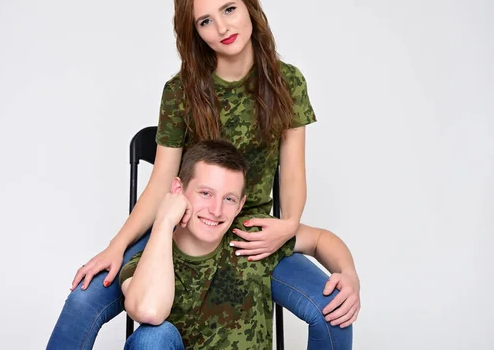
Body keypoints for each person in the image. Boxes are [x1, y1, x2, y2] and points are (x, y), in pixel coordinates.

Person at [47, 0, 360, 350]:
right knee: (83, 299)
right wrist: (116, 247)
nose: (223, 28)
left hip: (250, 234)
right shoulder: (181, 90)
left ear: (249, 8)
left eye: (229, 10)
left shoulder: (287, 82)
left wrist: (289, 223)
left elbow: (293, 171)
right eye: (205, 21)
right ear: (194, 32)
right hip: (187, 223)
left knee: (334, 309)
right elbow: (162, 181)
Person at [121, 140, 359, 350]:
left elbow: (320, 240)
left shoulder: (251, 236)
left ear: (240, 204)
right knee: (151, 338)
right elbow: (149, 311)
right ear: (177, 190)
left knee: (336, 311)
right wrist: (163, 221)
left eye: (229, 199)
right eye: (205, 193)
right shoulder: (147, 261)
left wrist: (348, 273)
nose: (216, 210)